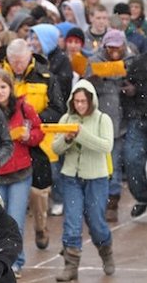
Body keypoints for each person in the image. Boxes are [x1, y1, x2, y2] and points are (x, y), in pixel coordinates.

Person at [3, 38, 65, 250]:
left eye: (21, 61)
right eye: (14, 62)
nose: (18, 66)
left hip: (38, 142)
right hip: (10, 141)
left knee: (40, 190)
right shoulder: (1, 77)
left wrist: (33, 118)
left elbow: (58, 109)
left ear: (29, 57)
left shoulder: (46, 76)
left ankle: (41, 225)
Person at [0, 69, 44, 279]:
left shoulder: (23, 107)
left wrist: (28, 136)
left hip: (20, 173)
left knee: (15, 220)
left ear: (10, 88)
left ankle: (16, 260)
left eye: (3, 87)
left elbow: (39, 132)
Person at [52, 79, 115, 281]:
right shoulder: (66, 118)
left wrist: (80, 134)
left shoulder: (102, 119)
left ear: (91, 101)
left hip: (96, 177)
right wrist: (67, 138)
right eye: (76, 101)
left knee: (96, 222)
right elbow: (55, 148)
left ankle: (106, 251)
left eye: (83, 101)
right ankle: (71, 266)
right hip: (71, 177)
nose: (80, 105)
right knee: (72, 221)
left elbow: (106, 147)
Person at [85, 29, 135, 222]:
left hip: (122, 121)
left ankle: (112, 200)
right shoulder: (94, 60)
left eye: (118, 47)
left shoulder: (131, 60)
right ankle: (97, 200)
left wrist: (133, 88)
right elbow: (85, 89)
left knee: (116, 163)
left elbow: (141, 83)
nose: (114, 51)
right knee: (98, 165)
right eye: (110, 47)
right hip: (100, 121)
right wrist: (94, 78)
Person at [122, 51, 147, 217]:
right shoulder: (138, 62)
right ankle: (143, 197)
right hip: (138, 117)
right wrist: (130, 90)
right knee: (131, 159)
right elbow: (125, 87)